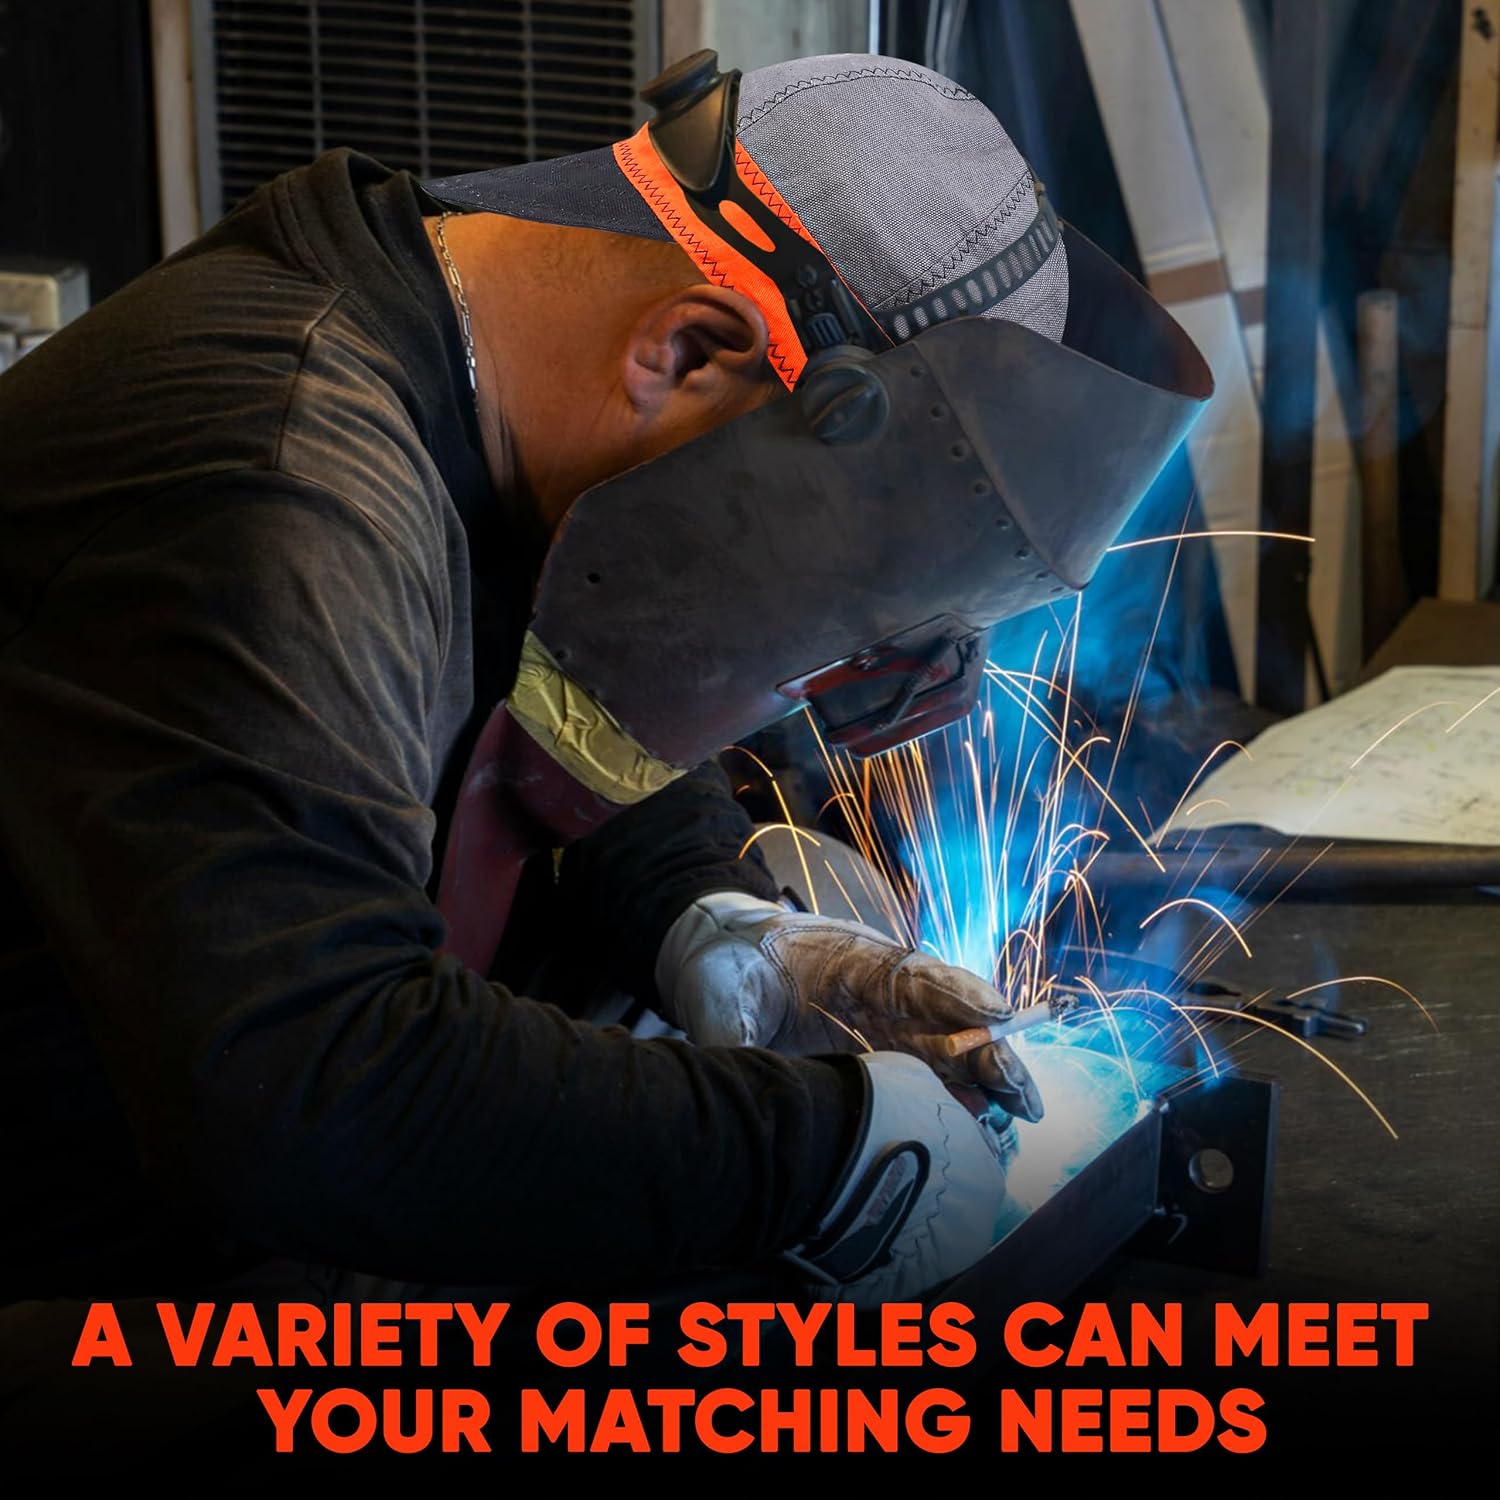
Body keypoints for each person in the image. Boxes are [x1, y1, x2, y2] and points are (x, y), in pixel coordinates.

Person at [0, 47, 1207, 1365]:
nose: (802, 673)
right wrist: (823, 1154)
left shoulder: (486, 373)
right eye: (830, 605)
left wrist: (710, 918)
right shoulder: (279, 477)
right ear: (689, 347)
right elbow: (305, 1089)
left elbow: (554, 689)